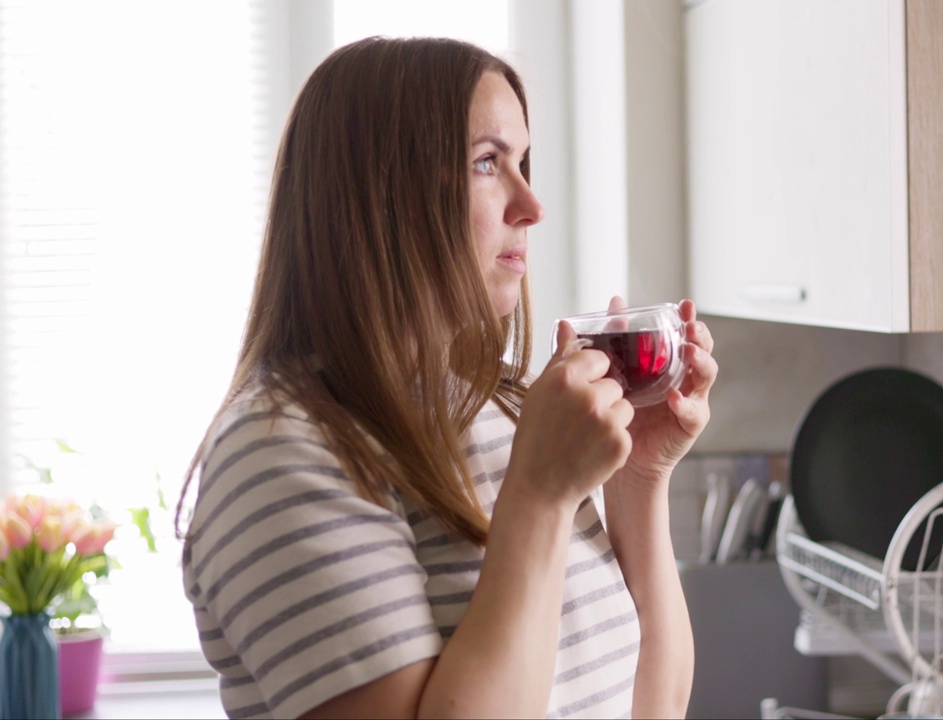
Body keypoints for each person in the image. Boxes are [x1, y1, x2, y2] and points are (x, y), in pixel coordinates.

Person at [176, 36, 717, 719]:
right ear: (379, 196)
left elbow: (651, 707)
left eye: (524, 162)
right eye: (488, 163)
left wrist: (638, 477)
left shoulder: (498, 414)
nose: (531, 204)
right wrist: (542, 498)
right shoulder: (278, 454)